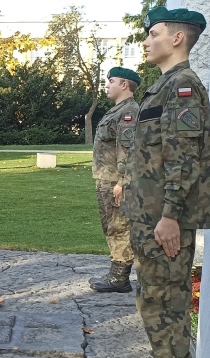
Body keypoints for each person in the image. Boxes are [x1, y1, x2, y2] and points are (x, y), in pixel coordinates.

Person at [118, 7, 210, 358]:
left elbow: (183, 156)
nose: (146, 40)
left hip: (164, 219)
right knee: (154, 297)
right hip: (151, 216)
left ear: (177, 38)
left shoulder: (183, 87)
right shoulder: (164, 86)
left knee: (168, 300)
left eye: (153, 33)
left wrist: (172, 215)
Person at [90, 67, 141, 293]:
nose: (107, 85)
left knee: (120, 227)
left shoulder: (128, 112)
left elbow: (128, 151)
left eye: (111, 81)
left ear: (124, 85)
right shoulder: (117, 111)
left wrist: (123, 182)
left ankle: (120, 278)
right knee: (111, 226)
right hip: (106, 180)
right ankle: (116, 272)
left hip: (116, 182)